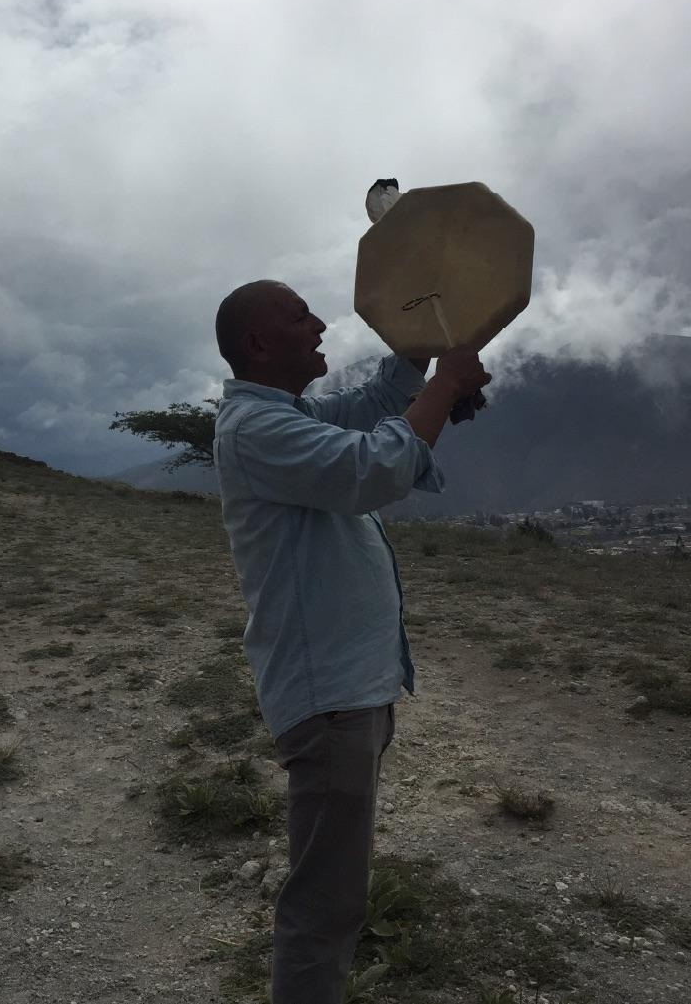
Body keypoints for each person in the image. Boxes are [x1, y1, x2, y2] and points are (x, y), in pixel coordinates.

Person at [212, 279, 490, 1004]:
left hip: (349, 691)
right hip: (329, 700)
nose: (320, 323)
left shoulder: (291, 414)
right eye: (299, 315)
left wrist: (425, 335)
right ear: (259, 344)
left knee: (335, 891)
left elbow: (373, 409)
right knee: (325, 906)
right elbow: (372, 468)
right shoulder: (257, 430)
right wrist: (448, 383)